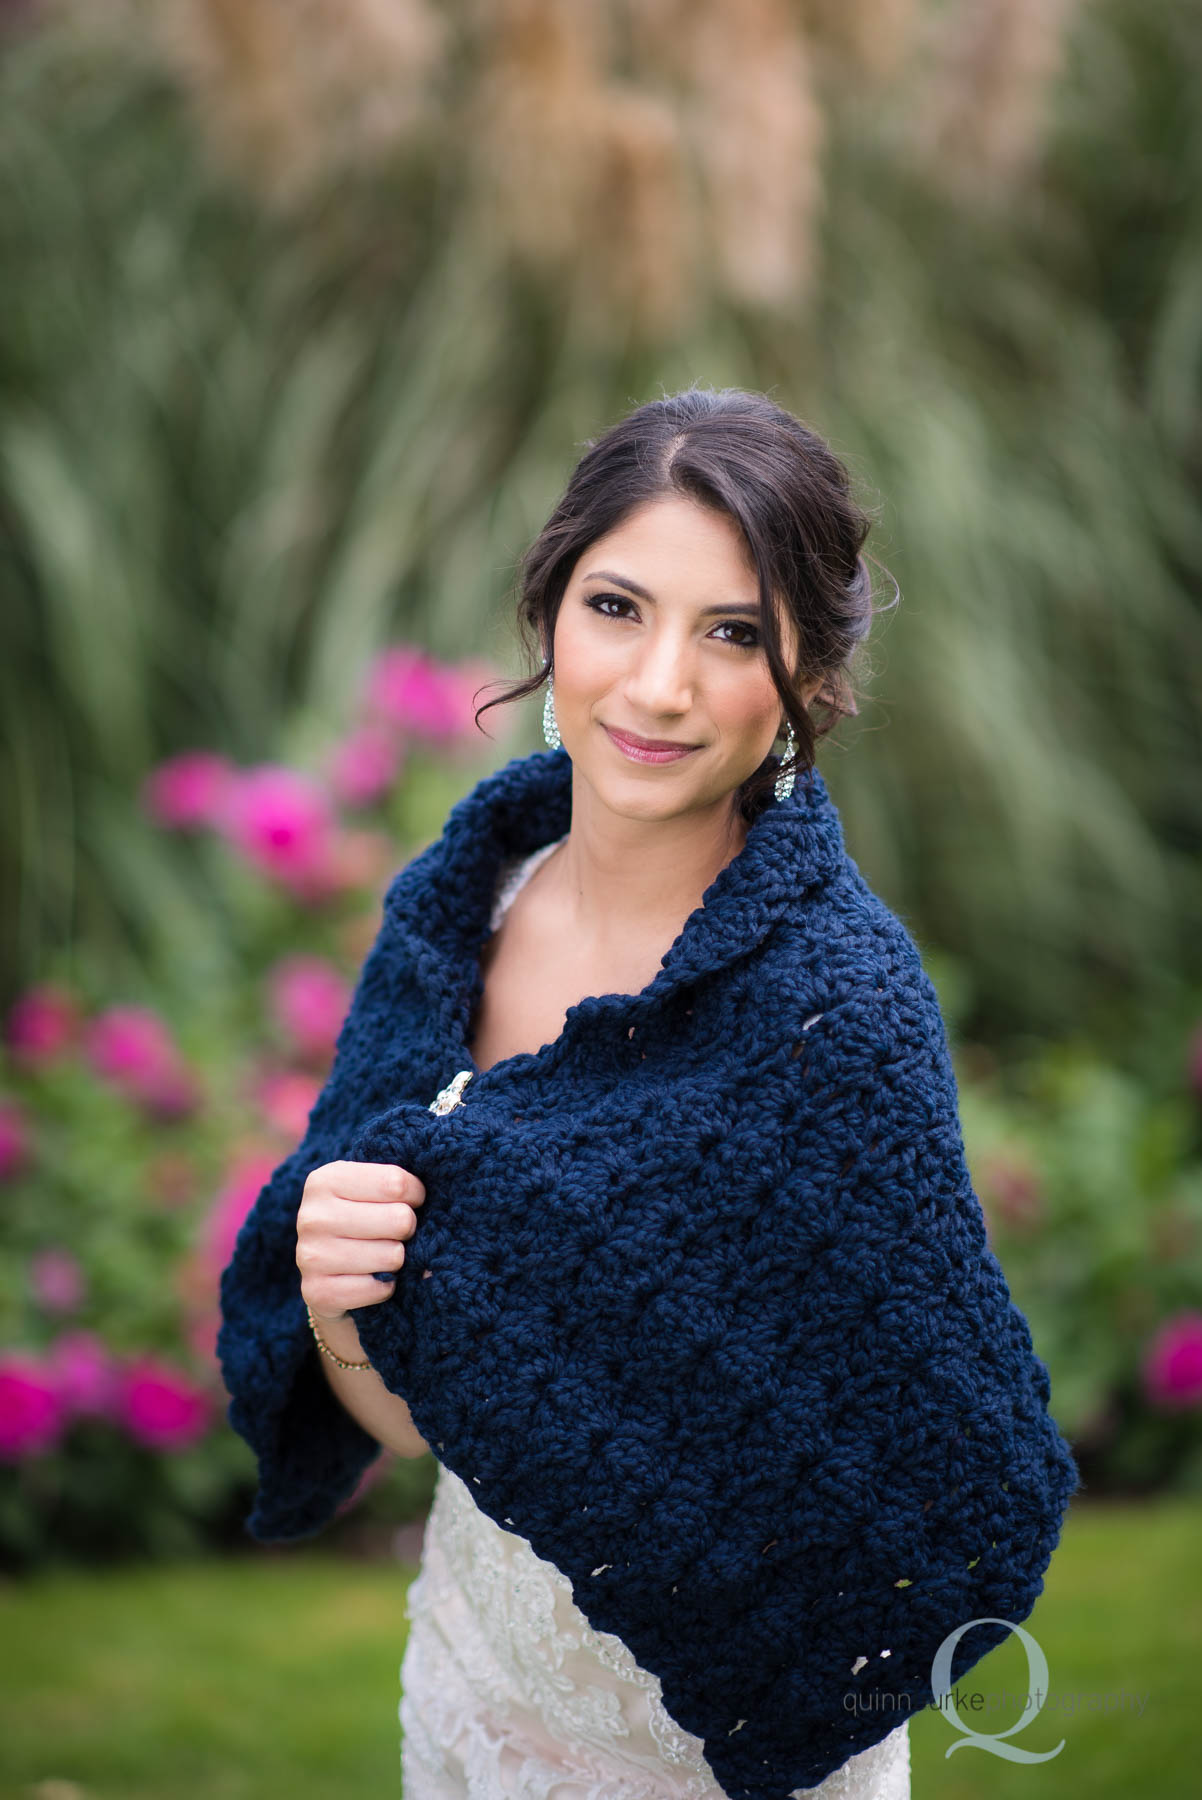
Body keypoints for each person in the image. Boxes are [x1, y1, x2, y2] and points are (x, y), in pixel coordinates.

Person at [220, 386, 1076, 1799]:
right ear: (549, 612)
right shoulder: (452, 916)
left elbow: (890, 1442)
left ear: (807, 676)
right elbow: (430, 1420)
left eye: (731, 632)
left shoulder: (831, 1004)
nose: (659, 683)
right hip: (478, 1693)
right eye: (616, 607)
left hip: (716, 1736)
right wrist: (336, 1296)